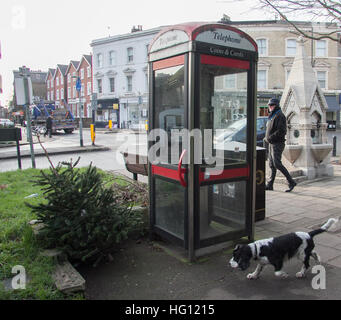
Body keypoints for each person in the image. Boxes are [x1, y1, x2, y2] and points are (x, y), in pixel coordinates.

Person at [264, 98, 297, 192]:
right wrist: (266, 138)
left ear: (276, 105)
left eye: (272, 105)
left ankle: (291, 182)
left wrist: (270, 138)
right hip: (271, 143)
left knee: (277, 164)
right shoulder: (272, 115)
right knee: (271, 164)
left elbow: (282, 131)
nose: (270, 107)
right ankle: (270, 185)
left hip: (277, 143)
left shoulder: (280, 115)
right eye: (269, 105)